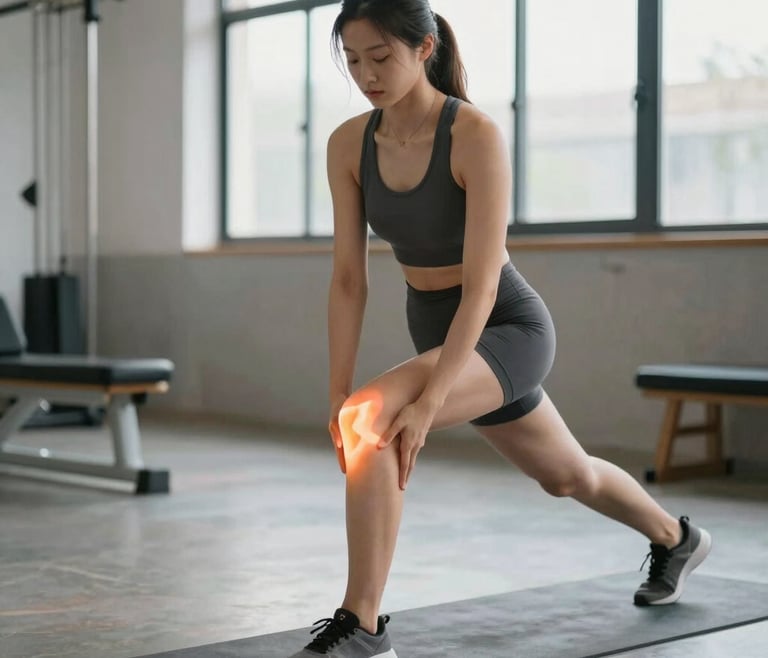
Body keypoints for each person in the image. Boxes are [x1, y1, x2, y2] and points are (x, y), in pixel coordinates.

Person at [290, 1, 711, 656]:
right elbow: (349, 279)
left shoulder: (473, 135)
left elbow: (483, 283)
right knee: (566, 476)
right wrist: (334, 389)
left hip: (504, 324)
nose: (366, 74)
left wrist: (428, 401)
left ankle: (362, 628)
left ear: (424, 48)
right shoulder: (348, 144)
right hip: (436, 326)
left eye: (381, 57)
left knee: (373, 418)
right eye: (352, 60)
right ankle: (676, 539)